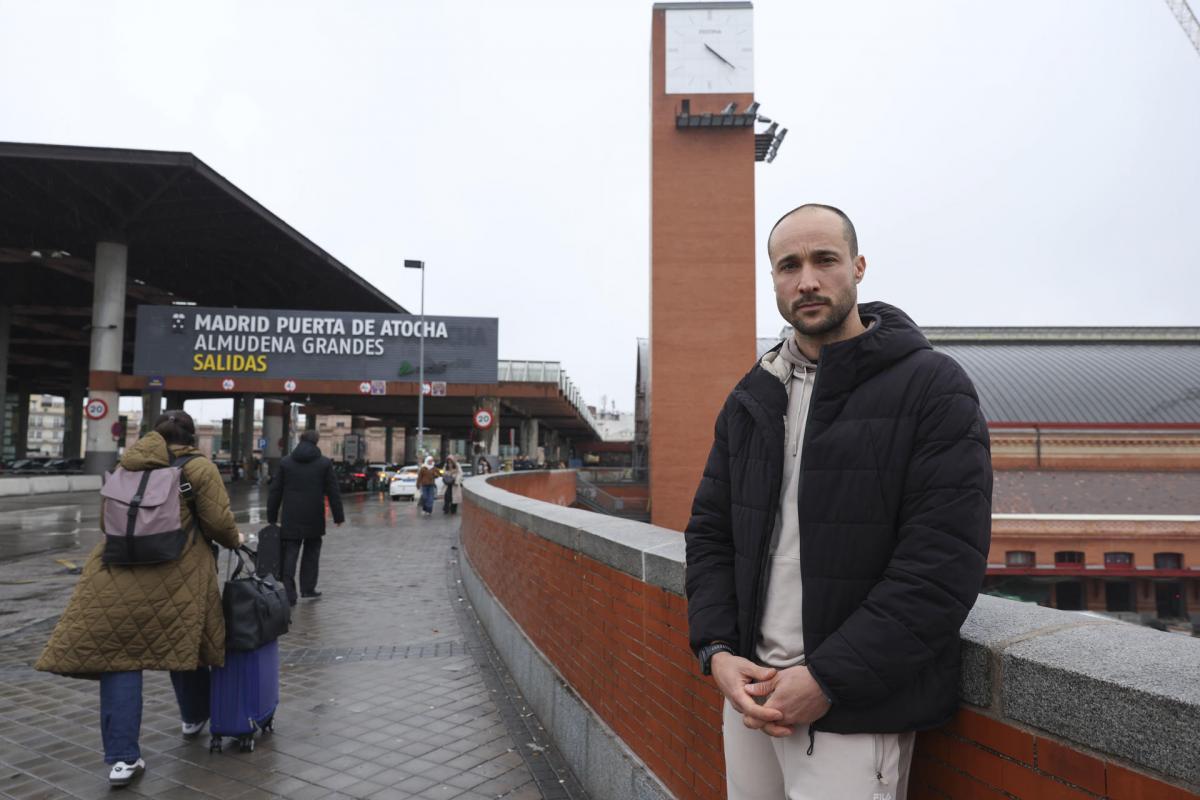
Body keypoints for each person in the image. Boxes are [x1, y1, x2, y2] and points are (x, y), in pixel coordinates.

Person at [684, 204, 992, 799]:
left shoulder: (931, 386)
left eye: (824, 260)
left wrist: (828, 677)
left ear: (858, 266)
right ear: (773, 280)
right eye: (788, 266)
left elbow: (941, 564)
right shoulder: (753, 396)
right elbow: (711, 534)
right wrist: (717, 650)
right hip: (751, 696)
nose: (807, 280)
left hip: (853, 710)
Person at [36, 411, 244, 787]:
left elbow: (106, 524)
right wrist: (238, 541)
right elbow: (218, 523)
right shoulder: (198, 468)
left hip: (115, 576)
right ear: (191, 437)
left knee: (120, 660)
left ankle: (123, 760)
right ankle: (194, 716)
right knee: (186, 640)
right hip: (177, 574)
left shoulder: (123, 467)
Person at [267, 429, 344, 605]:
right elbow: (333, 491)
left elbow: (275, 491)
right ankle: (308, 589)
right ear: (316, 442)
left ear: (300, 440)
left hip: (291, 516)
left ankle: (289, 593)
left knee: (290, 554)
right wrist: (338, 516)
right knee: (311, 553)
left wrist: (272, 516)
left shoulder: (286, 462)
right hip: (314, 515)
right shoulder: (324, 463)